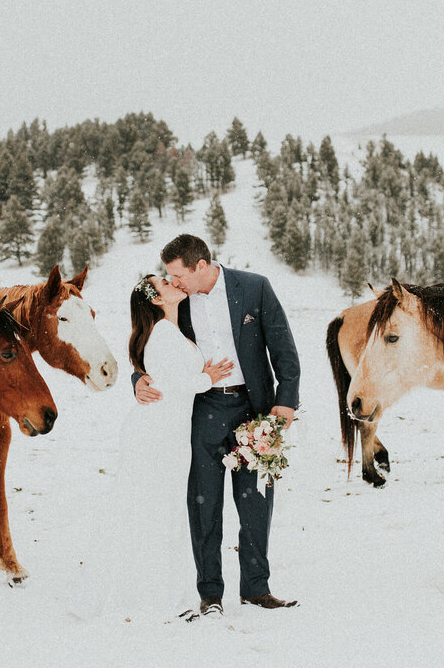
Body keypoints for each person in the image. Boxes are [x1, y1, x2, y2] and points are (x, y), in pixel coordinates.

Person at [131, 233, 300, 618]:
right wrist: (136, 380)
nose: (173, 282)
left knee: (255, 500)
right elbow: (152, 343)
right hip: (201, 411)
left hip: (254, 409)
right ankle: (210, 594)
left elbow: (284, 350)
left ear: (201, 267)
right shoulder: (178, 302)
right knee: (203, 502)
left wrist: (284, 404)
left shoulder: (255, 288)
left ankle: (256, 589)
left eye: (177, 275)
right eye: (169, 277)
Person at [107, 273, 233, 619]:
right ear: (157, 300)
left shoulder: (171, 328)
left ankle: (158, 591)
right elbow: (178, 383)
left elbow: (170, 372)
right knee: (157, 512)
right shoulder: (163, 332)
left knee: (163, 512)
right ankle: (154, 597)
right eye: (164, 283)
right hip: (158, 433)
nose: (172, 282)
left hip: (171, 430)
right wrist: (209, 377)